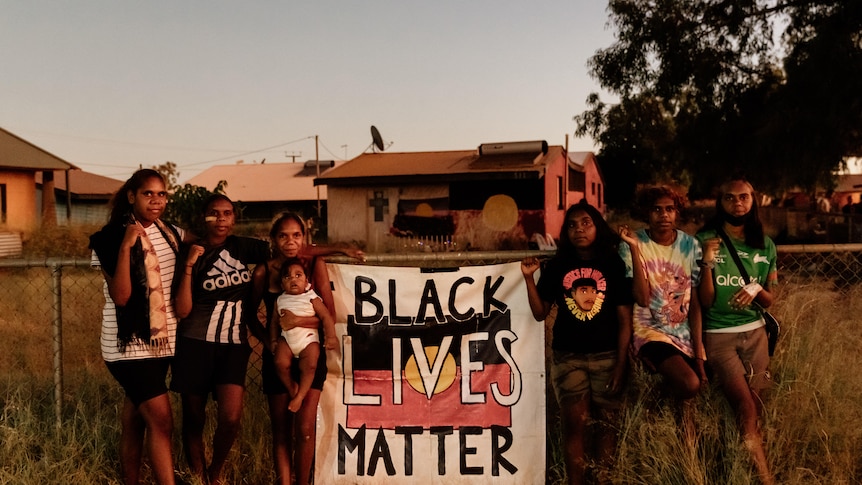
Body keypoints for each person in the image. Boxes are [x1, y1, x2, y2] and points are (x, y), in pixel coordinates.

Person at [521, 201, 633, 485]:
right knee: (575, 427)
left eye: (586, 223)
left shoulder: (612, 263)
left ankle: (604, 479)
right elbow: (539, 313)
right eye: (572, 225)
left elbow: (624, 319)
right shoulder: (558, 266)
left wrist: (621, 364)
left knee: (607, 427)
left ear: (597, 226)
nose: (579, 229)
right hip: (568, 358)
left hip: (607, 357)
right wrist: (528, 280)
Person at [248, 212, 363, 485]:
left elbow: (329, 314)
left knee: (305, 429)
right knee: (281, 430)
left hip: (311, 353)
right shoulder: (264, 271)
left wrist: (298, 321)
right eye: (283, 235)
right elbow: (250, 315)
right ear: (274, 239)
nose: (290, 241)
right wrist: (271, 343)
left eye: (296, 235)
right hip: (280, 357)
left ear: (305, 238)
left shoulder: (314, 264)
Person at [88, 169, 183, 485]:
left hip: (162, 342)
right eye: (148, 194)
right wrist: (127, 246)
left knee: (135, 421)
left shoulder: (169, 232)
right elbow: (121, 296)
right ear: (132, 196)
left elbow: (210, 240)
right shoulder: (110, 237)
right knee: (162, 422)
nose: (156, 201)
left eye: (162, 194)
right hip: (127, 347)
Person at [171, 194, 270, 485]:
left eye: (227, 213)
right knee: (193, 416)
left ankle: (215, 471)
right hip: (194, 343)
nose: (222, 218)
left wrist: (339, 248)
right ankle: (198, 474)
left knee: (231, 417)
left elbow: (289, 250)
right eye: (215, 213)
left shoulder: (241, 246)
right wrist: (189, 265)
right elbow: (183, 309)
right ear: (205, 217)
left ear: (234, 218)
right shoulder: (192, 251)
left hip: (233, 345)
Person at [697, 177, 777, 485]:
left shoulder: (765, 243)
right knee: (744, 405)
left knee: (755, 406)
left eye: (743, 197)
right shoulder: (706, 239)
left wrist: (756, 287)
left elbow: (771, 298)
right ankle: (765, 478)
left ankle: (738, 465)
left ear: (753, 200)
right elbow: (704, 300)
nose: (737, 203)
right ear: (721, 203)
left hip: (756, 334)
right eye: (729, 198)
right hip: (719, 335)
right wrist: (706, 262)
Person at [618, 187, 707, 402]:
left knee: (695, 390)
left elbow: (694, 303)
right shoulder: (632, 243)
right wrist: (634, 248)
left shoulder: (690, 246)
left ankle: (681, 432)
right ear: (647, 213)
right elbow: (642, 298)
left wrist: (698, 350)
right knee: (690, 382)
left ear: (677, 212)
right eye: (656, 209)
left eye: (670, 209)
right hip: (650, 332)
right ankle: (658, 399)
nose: (663, 215)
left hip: (682, 332)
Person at [271, 258, 338, 413]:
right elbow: (274, 322)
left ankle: (300, 396)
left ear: (306, 281)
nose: (293, 279)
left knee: (310, 366)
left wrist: (331, 337)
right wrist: (274, 339)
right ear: (282, 285)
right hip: (286, 339)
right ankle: (292, 388)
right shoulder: (280, 299)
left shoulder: (312, 297)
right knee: (280, 362)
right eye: (287, 277)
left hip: (308, 339)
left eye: (298, 275)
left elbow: (326, 317)